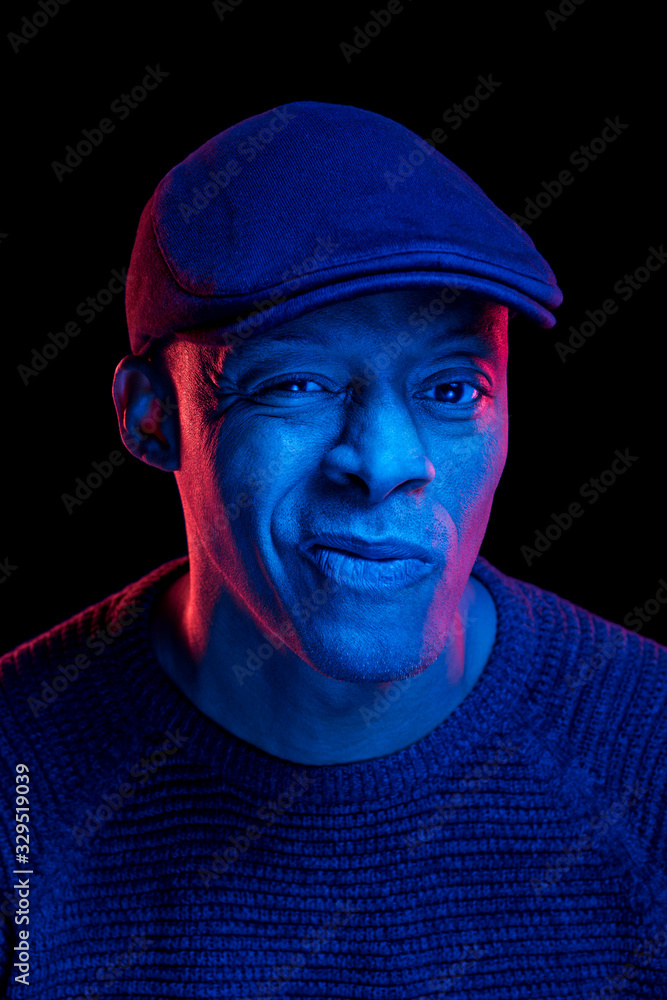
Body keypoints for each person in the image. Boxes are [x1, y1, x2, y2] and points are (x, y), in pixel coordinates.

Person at [1, 100, 665, 997]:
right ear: (152, 417)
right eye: (297, 382)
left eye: (450, 387)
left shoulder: (651, 754)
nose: (385, 465)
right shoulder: (18, 780)